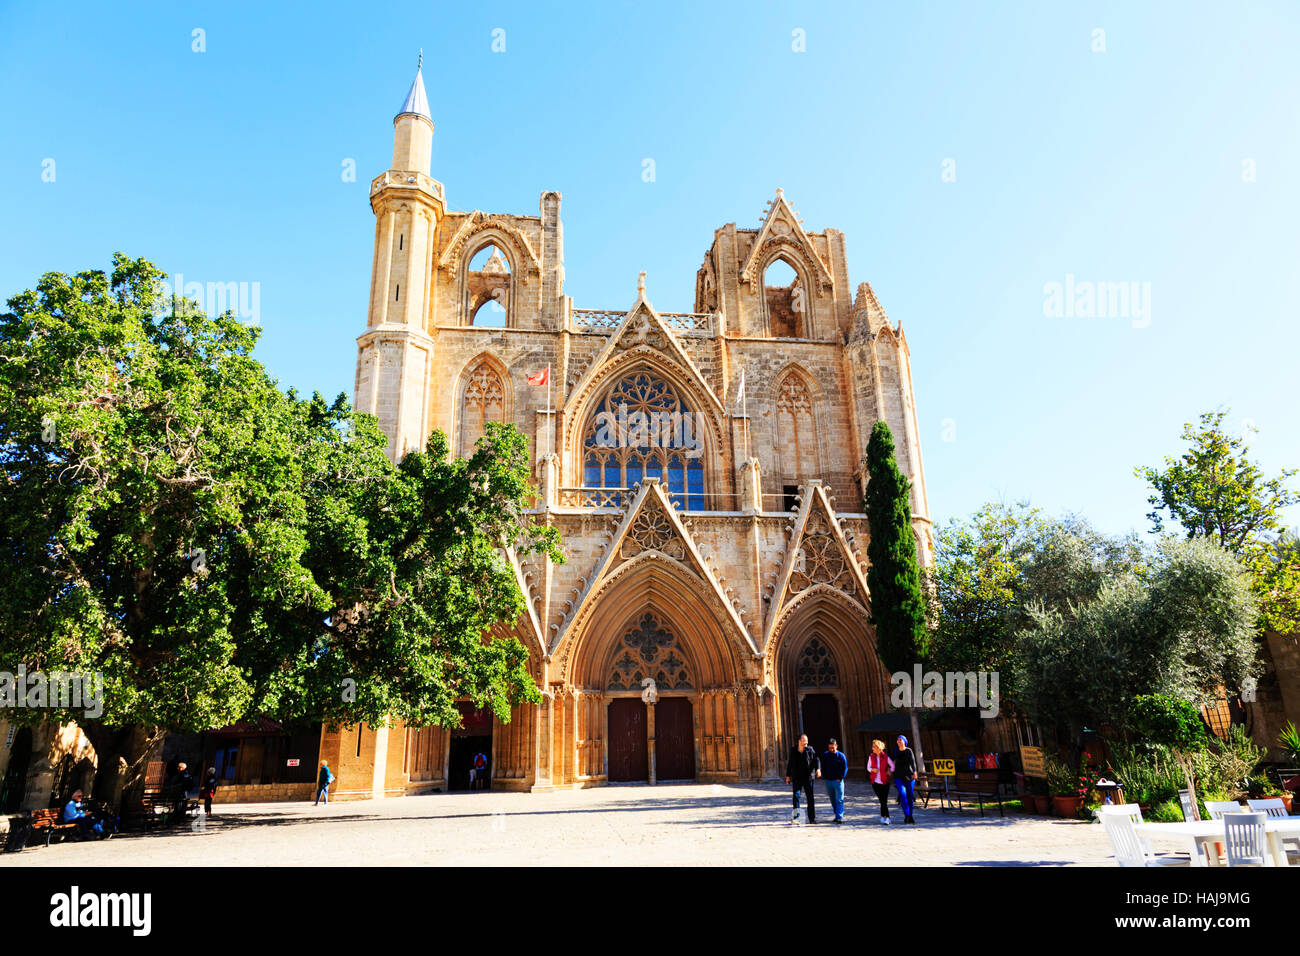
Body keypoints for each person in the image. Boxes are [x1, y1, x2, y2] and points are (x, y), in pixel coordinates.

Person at [785, 733, 821, 824]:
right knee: (796, 796)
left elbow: (816, 759)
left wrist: (818, 769)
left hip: (808, 777)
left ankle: (812, 819)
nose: (806, 744)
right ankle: (796, 818)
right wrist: (788, 775)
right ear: (799, 741)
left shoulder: (810, 750)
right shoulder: (793, 750)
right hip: (797, 777)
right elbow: (790, 763)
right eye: (804, 742)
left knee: (810, 798)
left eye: (807, 743)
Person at [867, 739, 895, 824]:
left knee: (884, 801)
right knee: (882, 800)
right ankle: (883, 816)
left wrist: (890, 771)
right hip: (875, 782)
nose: (872, 749)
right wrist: (872, 770)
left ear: (879, 748)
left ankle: (887, 818)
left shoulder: (886, 757)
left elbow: (893, 766)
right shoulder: (871, 757)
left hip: (885, 782)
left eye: (874, 747)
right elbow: (868, 767)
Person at [821, 738, 848, 823]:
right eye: (830, 748)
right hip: (829, 781)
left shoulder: (841, 756)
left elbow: (845, 768)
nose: (831, 749)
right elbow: (823, 766)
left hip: (838, 781)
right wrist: (824, 776)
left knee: (839, 799)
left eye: (833, 747)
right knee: (832, 799)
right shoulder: (826, 755)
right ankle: (836, 815)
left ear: (836, 746)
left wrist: (841, 777)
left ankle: (839, 816)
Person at [893, 735, 918, 824]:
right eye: (898, 740)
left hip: (909, 776)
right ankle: (906, 814)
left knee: (909, 796)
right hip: (898, 776)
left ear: (904, 741)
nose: (899, 741)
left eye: (900, 740)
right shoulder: (896, 750)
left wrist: (915, 772)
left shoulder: (909, 750)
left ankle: (910, 816)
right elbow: (893, 762)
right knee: (902, 794)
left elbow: (913, 762)